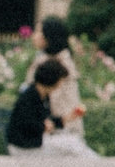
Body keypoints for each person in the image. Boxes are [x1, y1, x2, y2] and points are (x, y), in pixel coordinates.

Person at [6, 57, 98, 158]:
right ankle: (99, 166)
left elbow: (46, 120)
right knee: (71, 144)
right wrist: (42, 127)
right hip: (24, 148)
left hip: (34, 143)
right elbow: (25, 123)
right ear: (52, 79)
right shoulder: (29, 96)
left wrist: (68, 118)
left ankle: (96, 164)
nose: (61, 84)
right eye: (61, 80)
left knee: (72, 142)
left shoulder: (43, 96)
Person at [31, 18, 95, 156]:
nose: (34, 36)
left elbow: (48, 103)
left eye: (38, 31)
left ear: (49, 36)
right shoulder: (45, 60)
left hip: (61, 133)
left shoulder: (57, 66)